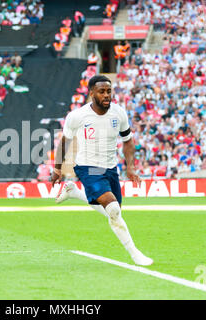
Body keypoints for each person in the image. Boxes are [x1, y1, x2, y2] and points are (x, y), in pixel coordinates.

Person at [51, 75, 153, 266]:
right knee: (113, 209)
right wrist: (57, 169)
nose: (106, 95)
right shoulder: (77, 116)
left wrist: (130, 167)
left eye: (108, 91)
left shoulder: (119, 113)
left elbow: (128, 140)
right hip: (88, 167)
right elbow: (65, 141)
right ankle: (135, 254)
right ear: (91, 93)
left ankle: (75, 192)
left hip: (110, 168)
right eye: (102, 91)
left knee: (114, 213)